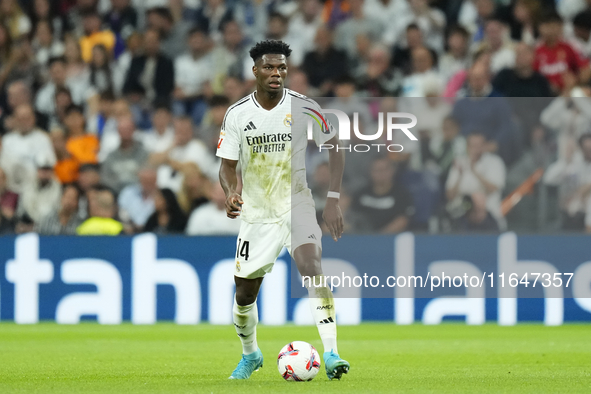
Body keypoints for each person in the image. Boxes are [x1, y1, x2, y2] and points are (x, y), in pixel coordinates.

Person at [217, 40, 349, 380]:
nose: (276, 73)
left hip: (297, 204)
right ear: (255, 71)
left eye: (282, 68)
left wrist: (332, 199)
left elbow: (335, 146)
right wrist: (232, 192)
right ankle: (251, 355)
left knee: (311, 266)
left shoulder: (304, 107)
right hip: (257, 214)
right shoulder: (238, 114)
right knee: (244, 293)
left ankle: (332, 352)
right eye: (269, 67)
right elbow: (227, 166)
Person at [349, 157, 415, 233]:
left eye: (384, 169)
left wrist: (380, 237)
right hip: (362, 237)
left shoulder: (402, 194)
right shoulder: (360, 194)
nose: (381, 173)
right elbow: (351, 216)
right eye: (377, 170)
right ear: (370, 172)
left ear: (392, 171)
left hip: (390, 238)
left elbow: (403, 219)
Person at [100, 114, 148, 193]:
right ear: (118, 131)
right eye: (122, 129)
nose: (125, 132)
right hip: (115, 193)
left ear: (134, 130)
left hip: (139, 194)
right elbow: (105, 178)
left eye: (128, 129)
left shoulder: (143, 153)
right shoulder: (111, 156)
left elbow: (147, 176)